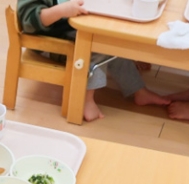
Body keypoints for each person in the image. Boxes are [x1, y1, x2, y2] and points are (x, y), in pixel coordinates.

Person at [17, 0, 170, 121]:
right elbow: (28, 22)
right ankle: (85, 100)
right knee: (99, 47)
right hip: (49, 43)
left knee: (113, 40)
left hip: (73, 29)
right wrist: (61, 10)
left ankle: (138, 91)